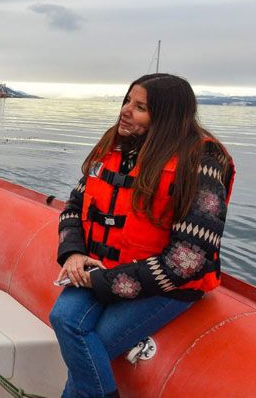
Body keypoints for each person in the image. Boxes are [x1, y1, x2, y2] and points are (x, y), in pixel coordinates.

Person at [48, 73, 235, 398]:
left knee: (96, 344)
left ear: (166, 116)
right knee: (63, 318)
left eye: (140, 108)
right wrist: (73, 253)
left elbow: (188, 260)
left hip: (164, 285)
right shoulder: (114, 145)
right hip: (100, 266)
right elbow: (74, 206)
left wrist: (101, 283)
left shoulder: (201, 162)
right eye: (127, 101)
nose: (125, 111)